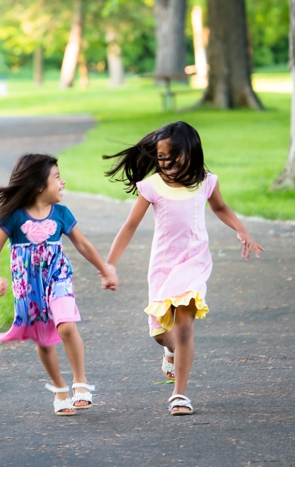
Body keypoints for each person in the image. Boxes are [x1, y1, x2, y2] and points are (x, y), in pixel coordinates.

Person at [103, 120, 263, 416]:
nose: (166, 164)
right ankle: (168, 351)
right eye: (161, 158)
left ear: (191, 153)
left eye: (173, 157)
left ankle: (180, 395)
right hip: (163, 268)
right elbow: (129, 226)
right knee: (163, 335)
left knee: (185, 329)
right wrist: (109, 263)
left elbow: (220, 208)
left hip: (194, 263)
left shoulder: (206, 181)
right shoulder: (152, 187)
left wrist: (242, 230)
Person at [0, 154, 118, 416]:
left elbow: (83, 245)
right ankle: (60, 389)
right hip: (28, 287)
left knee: (65, 326)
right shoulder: (15, 217)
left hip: (57, 276)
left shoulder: (61, 214)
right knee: (43, 339)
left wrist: (104, 269)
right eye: (57, 177)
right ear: (40, 185)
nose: (63, 182)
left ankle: (80, 382)